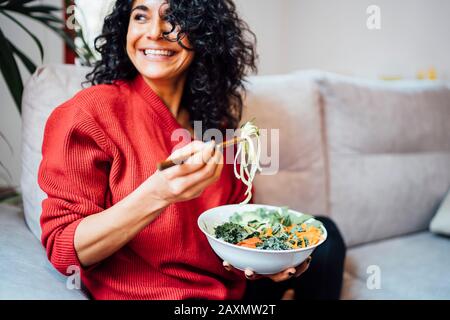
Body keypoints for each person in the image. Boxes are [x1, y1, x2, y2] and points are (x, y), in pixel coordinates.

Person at [38, 0, 345, 300]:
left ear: (203, 33)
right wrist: (157, 194)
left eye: (173, 17)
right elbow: (64, 250)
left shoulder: (217, 125)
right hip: (159, 294)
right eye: (140, 17)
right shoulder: (90, 113)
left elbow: (232, 232)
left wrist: (265, 263)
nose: (155, 32)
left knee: (324, 238)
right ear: (124, 29)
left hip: (227, 287)